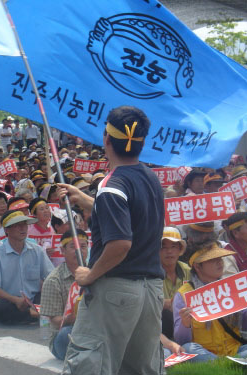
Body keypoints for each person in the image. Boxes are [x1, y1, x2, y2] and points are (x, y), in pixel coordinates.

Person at [59, 106, 165, 375]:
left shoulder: (112, 185)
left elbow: (120, 244)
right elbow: (133, 217)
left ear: (107, 138)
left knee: (91, 366)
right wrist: (90, 202)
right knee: (139, 368)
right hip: (150, 290)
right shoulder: (150, 178)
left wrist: (89, 274)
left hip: (117, 289)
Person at [173, 243, 247, 362]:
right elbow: (182, 341)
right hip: (204, 351)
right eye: (213, 260)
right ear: (197, 266)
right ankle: (232, 364)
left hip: (234, 351)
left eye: (220, 259)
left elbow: (246, 324)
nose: (220, 263)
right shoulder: (183, 295)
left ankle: (222, 364)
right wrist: (185, 324)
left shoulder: (230, 287)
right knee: (188, 349)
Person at [0, 210, 54, 324]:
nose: (22, 228)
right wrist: (16, 300)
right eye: (17, 225)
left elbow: (51, 276)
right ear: (7, 230)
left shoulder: (37, 250)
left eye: (24, 225)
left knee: (48, 297)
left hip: (34, 298)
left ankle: (34, 314)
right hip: (9, 301)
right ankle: (36, 314)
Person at [40, 229, 89, 360]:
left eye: (83, 246)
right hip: (65, 332)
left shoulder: (95, 272)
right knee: (68, 335)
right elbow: (54, 321)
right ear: (62, 251)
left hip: (92, 329)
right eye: (73, 247)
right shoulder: (53, 280)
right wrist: (72, 318)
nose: (79, 251)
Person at [160, 227, 190, 340]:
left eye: (173, 247)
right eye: (164, 247)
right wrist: (164, 303)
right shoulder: (151, 273)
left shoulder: (187, 270)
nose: (169, 251)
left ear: (180, 249)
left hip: (185, 319)